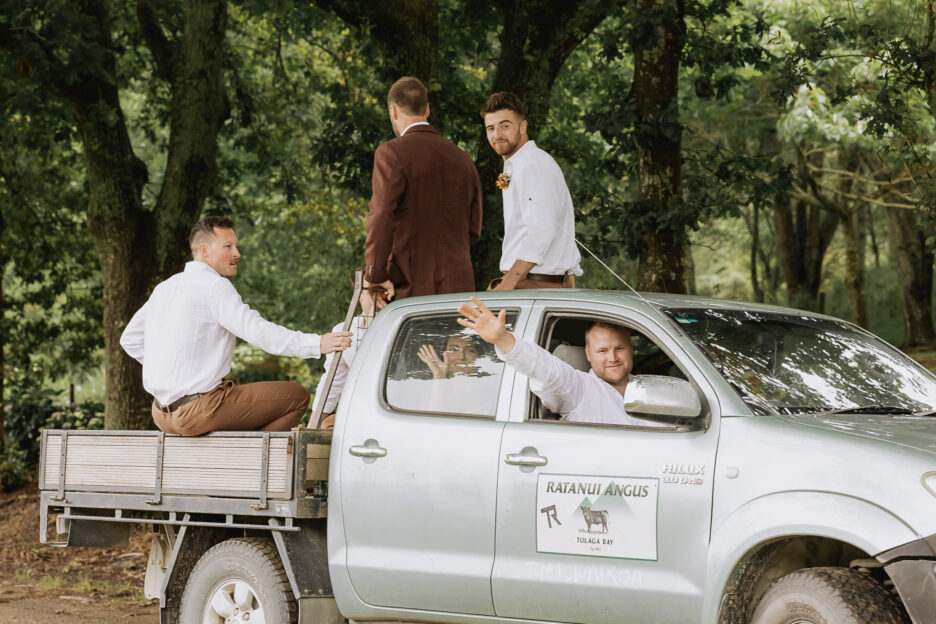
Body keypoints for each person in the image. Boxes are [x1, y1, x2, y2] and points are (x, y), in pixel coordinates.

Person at [120, 217, 353, 435]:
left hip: (161, 415)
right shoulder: (214, 286)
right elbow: (258, 332)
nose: (237, 253)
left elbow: (129, 339)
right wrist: (317, 343)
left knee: (237, 392)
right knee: (297, 396)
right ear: (204, 251)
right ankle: (252, 460)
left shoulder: (166, 287)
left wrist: (171, 370)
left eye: (236, 245)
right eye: (228, 246)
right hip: (199, 411)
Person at [365, 76, 483, 304]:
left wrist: (375, 276)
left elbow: (380, 216)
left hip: (411, 289)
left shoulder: (391, 153)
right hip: (460, 290)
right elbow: (473, 231)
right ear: (427, 109)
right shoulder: (463, 159)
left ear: (393, 111)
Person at [457, 296, 660, 426]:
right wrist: (503, 339)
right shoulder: (579, 388)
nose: (613, 358)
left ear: (631, 349)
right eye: (603, 350)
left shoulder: (654, 391)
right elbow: (544, 367)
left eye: (620, 348)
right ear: (588, 354)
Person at [480, 92, 582, 290]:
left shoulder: (532, 164)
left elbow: (542, 231)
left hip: (537, 285)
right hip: (530, 283)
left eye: (505, 125)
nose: (496, 134)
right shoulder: (516, 165)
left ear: (523, 126)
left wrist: (507, 284)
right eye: (490, 128)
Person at [417, 334, 481, 379]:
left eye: (470, 350)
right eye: (453, 350)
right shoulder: (429, 394)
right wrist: (439, 376)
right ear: (442, 357)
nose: (461, 357)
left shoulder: (489, 390)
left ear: (479, 356)